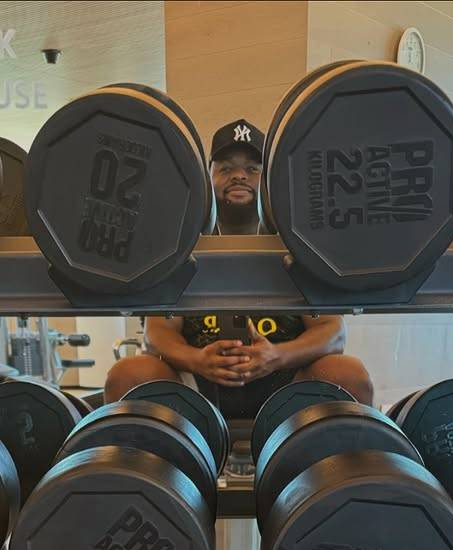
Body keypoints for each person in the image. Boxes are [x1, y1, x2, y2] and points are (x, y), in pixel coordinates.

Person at [104, 117, 374, 423]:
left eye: (252, 169)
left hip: (285, 388)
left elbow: (333, 333)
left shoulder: (295, 247)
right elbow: (157, 334)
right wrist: (197, 359)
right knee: (127, 374)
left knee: (349, 374)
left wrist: (278, 356)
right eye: (226, 168)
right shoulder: (183, 249)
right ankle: (148, 467)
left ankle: (334, 465)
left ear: (268, 180)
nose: (240, 176)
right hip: (197, 390)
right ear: (208, 179)